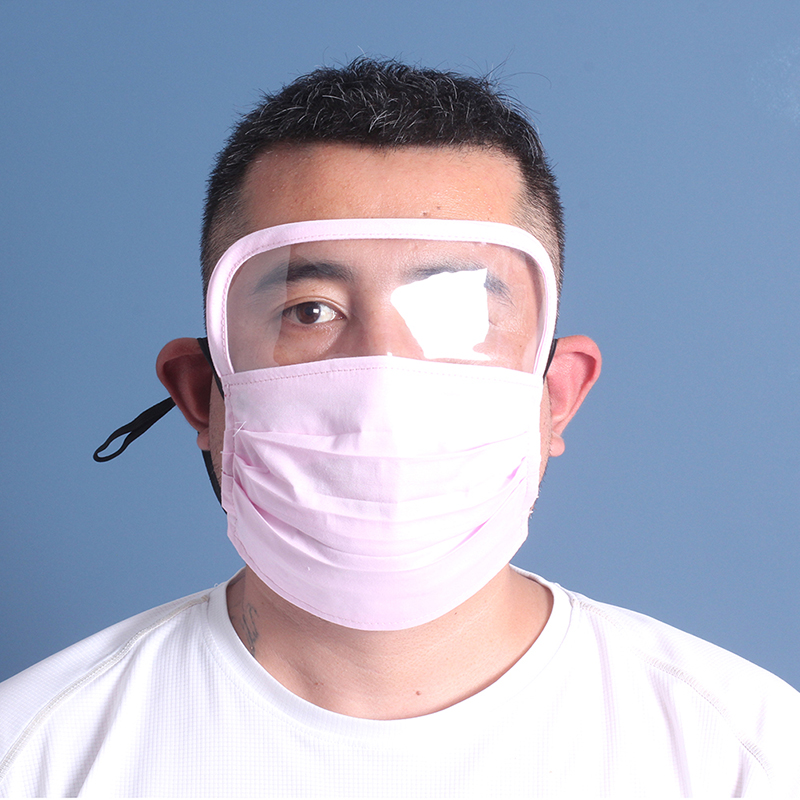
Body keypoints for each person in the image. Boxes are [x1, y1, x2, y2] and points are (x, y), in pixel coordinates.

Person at [1, 58, 798, 798]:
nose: (381, 377)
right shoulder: (32, 754)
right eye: (310, 310)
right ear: (202, 396)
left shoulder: (748, 756)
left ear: (554, 396)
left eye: (452, 310)